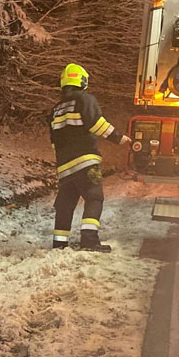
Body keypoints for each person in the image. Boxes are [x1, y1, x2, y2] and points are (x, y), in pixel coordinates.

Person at [50, 63, 131, 252]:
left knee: (65, 204)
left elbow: (53, 142)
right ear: (83, 81)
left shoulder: (56, 109)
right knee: (94, 198)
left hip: (65, 166)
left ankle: (59, 243)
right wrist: (119, 138)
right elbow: (97, 124)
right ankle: (89, 241)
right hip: (86, 160)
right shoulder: (85, 99)